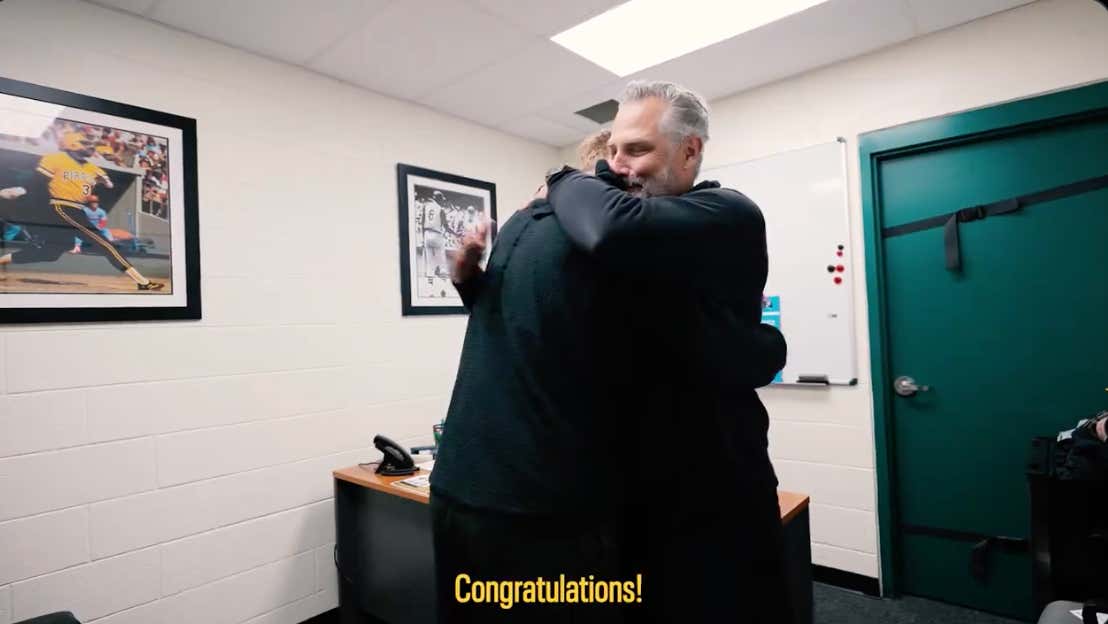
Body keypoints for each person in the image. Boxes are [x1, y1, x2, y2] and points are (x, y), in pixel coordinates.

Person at [429, 112, 785, 624]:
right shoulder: (618, 253)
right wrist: (766, 339)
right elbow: (731, 353)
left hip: (459, 492)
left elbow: (525, 324)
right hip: (545, 516)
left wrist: (469, 284)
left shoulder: (517, 228)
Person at [543, 80, 790, 623]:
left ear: (690, 150)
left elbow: (609, 227)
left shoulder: (724, 212)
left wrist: (562, 177)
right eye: (611, 153)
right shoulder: (636, 236)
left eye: (637, 150)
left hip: (718, 488)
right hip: (633, 489)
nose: (619, 166)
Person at [0, 131, 163, 290]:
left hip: (77, 209)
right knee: (103, 243)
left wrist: (104, 180)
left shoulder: (91, 167)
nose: (89, 147)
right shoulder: (56, 159)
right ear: (71, 143)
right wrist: (22, 190)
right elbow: (38, 182)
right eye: (84, 143)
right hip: (60, 206)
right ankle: (142, 282)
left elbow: (107, 184)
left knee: (52, 253)